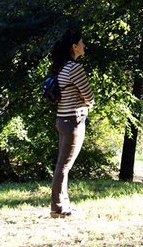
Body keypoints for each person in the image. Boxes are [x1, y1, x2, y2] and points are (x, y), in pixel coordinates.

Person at [49, 28, 95, 218]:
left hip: (62, 119)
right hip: (73, 121)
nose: (84, 45)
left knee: (63, 164)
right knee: (64, 166)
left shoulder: (61, 67)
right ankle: (57, 207)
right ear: (75, 47)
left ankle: (63, 205)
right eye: (82, 42)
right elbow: (89, 96)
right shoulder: (75, 68)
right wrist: (87, 102)